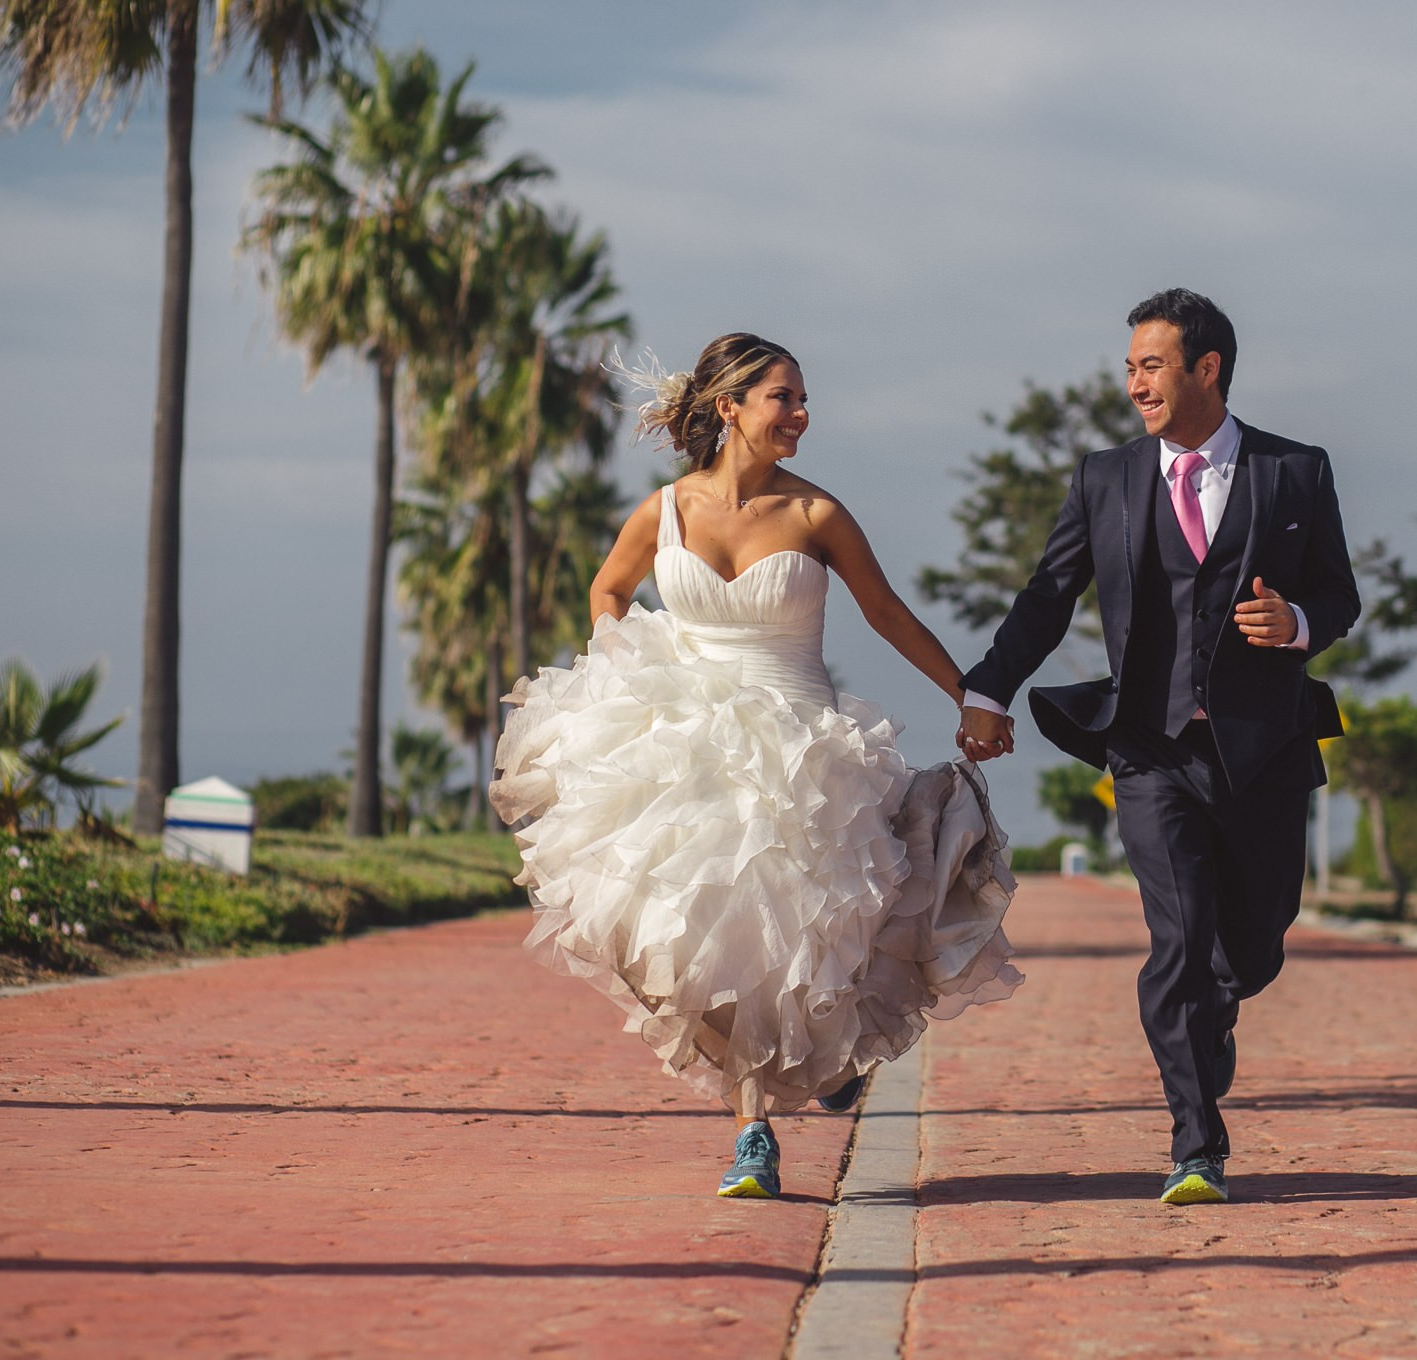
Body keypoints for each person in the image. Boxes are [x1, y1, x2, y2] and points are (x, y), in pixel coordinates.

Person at [491, 332, 1021, 1200]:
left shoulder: (816, 515)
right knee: (709, 946)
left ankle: (829, 1054)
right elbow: (609, 589)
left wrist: (973, 696)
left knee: (812, 935)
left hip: (803, 748)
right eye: (786, 398)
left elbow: (885, 613)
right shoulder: (663, 510)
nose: (803, 415)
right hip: (687, 747)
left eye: (803, 398)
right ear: (729, 407)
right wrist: (623, 661)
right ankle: (753, 1134)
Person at [956, 289, 1357, 1205]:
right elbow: (1048, 595)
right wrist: (987, 686)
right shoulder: (1106, 477)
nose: (1133, 380)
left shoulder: (1297, 472)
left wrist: (1295, 621)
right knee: (1176, 943)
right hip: (1147, 749)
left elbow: (1339, 596)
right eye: (1130, 364)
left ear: (1205, 369)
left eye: (1151, 364)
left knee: (1249, 952)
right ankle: (1195, 1143)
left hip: (1263, 753)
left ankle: (1214, 1017)